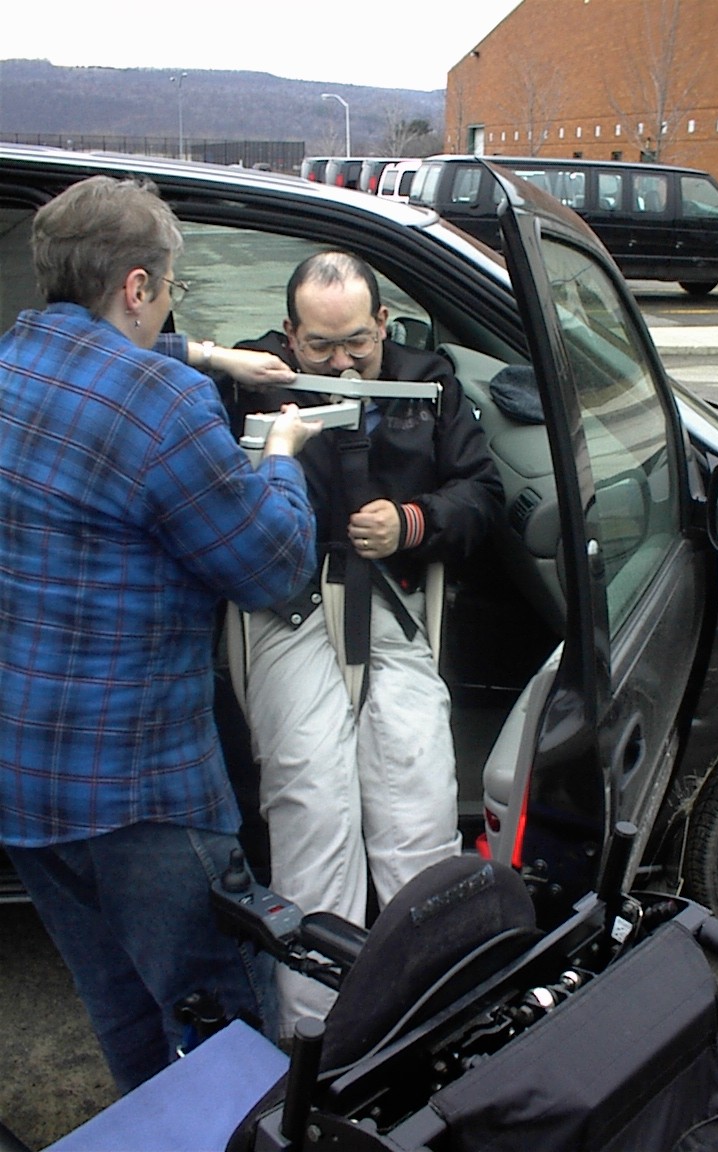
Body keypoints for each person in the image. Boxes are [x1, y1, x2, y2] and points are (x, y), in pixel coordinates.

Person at [0, 175, 323, 1093]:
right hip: (141, 796)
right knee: (226, 1017)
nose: (168, 304)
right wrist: (281, 456)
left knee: (124, 1009)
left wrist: (214, 355)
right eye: (169, 286)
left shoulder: (14, 363)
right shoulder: (161, 404)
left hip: (25, 788)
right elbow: (271, 566)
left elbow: (100, 363)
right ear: (137, 286)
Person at [226, 250, 504, 1030]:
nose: (343, 362)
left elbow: (481, 493)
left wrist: (412, 522)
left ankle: (435, 1010)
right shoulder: (250, 379)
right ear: (290, 334)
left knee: (417, 787)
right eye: (320, 347)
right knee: (311, 801)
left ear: (383, 321)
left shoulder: (431, 385)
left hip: (394, 602)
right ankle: (318, 1035)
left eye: (357, 342)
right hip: (290, 607)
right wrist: (223, 365)